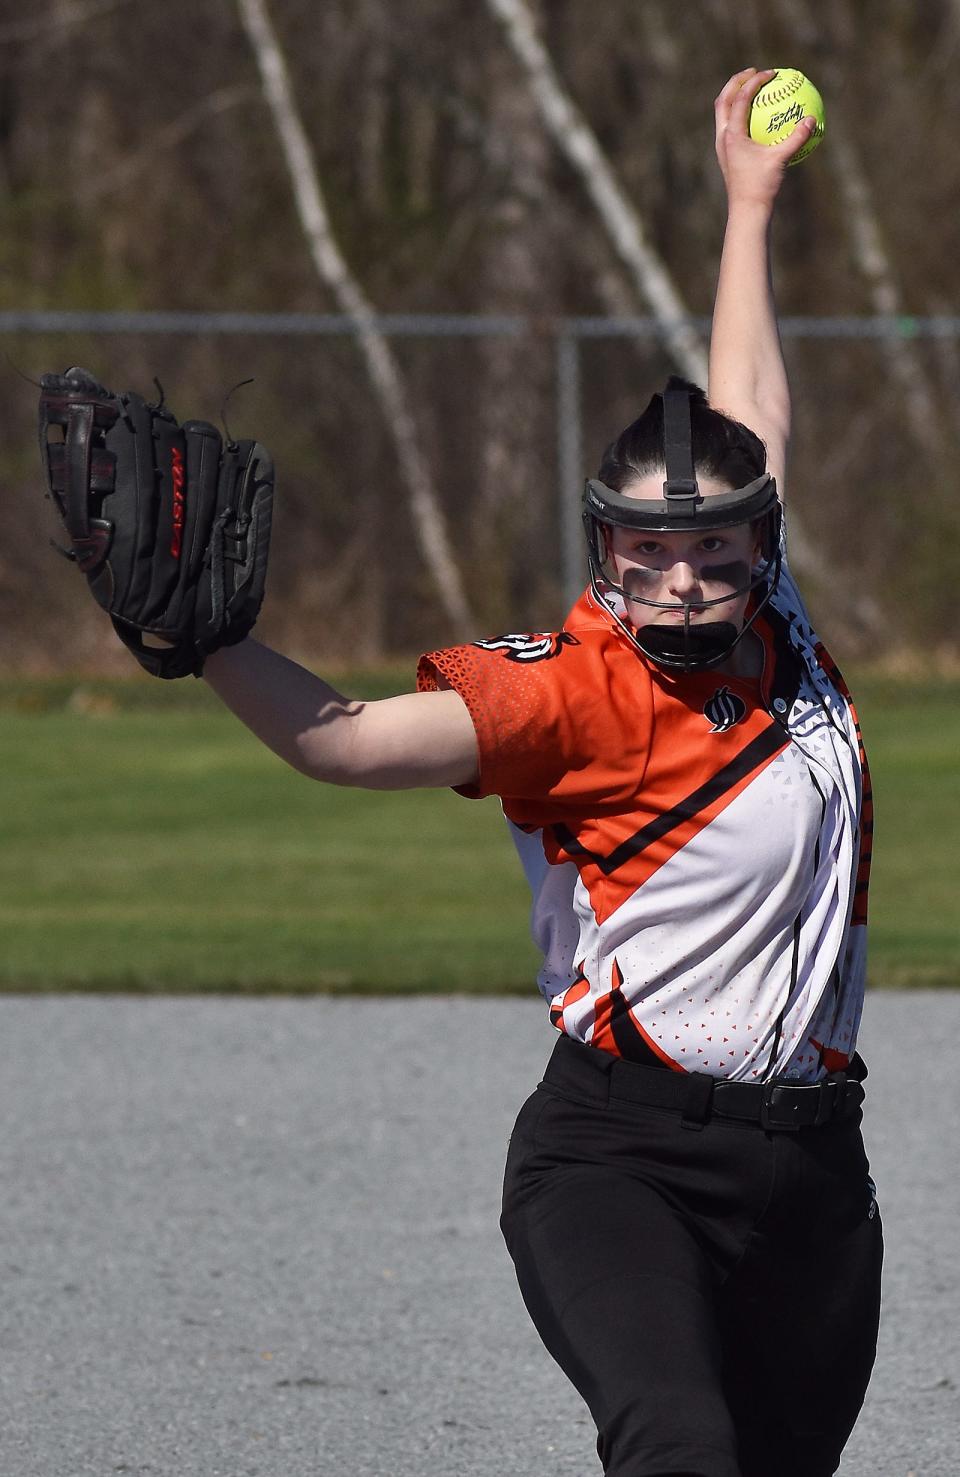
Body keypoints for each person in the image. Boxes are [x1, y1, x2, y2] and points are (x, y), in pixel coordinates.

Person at [165, 69, 882, 1477]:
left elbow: (752, 412)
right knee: (675, 1441)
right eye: (649, 550)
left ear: (758, 545)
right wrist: (205, 641)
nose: (683, 573)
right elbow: (348, 738)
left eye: (716, 544)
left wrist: (748, 209)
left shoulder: (778, 626)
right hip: (619, 1157)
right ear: (606, 549)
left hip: (816, 1170)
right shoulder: (571, 690)